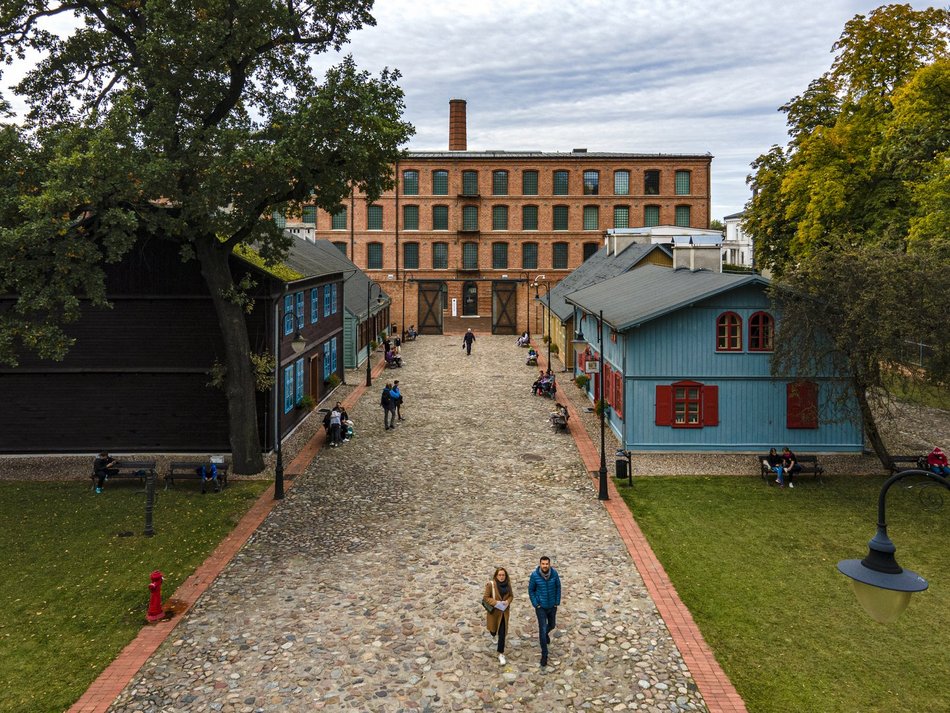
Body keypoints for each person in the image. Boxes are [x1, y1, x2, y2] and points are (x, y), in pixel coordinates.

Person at [528, 556, 561, 668]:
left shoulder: (554, 574)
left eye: (547, 564)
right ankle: (544, 654)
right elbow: (531, 590)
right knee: (542, 629)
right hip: (541, 607)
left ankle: (546, 633)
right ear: (540, 564)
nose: (545, 566)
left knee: (552, 625)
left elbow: (558, 587)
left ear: (549, 564)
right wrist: (536, 604)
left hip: (552, 605)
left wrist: (557, 602)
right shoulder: (535, 576)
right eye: (543, 564)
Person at [483, 567, 514, 665]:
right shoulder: (490, 585)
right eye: (499, 575)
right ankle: (493, 635)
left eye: (503, 575)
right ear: (496, 576)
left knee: (502, 634)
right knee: (493, 630)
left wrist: (507, 602)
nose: (501, 577)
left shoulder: (508, 585)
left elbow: (511, 596)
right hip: (494, 613)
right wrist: (496, 602)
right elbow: (486, 598)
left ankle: (500, 653)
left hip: (504, 613)